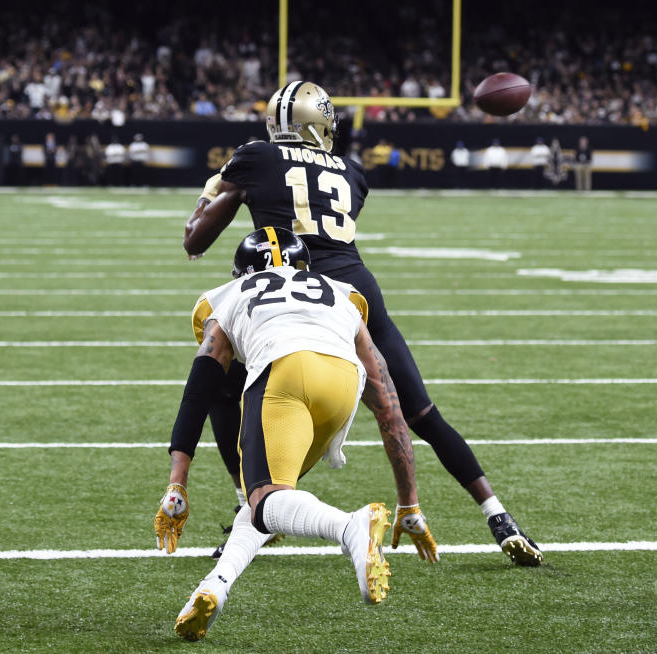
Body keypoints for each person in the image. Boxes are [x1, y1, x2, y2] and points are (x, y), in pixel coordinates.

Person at [183, 81, 542, 567]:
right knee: (417, 412)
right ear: (323, 123)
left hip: (299, 292)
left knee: (228, 391)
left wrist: (225, 190)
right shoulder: (352, 170)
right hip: (359, 289)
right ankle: (497, 515)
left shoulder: (256, 156)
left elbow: (195, 240)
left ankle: (251, 506)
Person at [155, 227, 438, 640]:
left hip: (284, 372)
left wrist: (177, 481)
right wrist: (409, 503)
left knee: (266, 498)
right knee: (269, 499)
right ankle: (213, 587)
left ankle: (350, 527)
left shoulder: (230, 294)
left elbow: (201, 388)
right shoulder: (340, 294)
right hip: (342, 385)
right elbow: (389, 407)